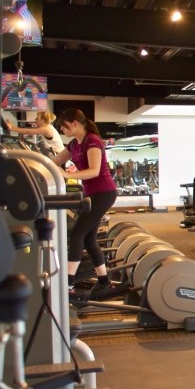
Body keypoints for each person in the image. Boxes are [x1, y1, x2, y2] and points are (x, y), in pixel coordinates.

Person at [51, 108, 117, 298]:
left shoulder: (92, 141)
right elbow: (54, 161)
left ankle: (68, 284)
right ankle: (104, 282)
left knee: (77, 234)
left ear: (75, 123)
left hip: (104, 192)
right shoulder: (74, 144)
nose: (62, 130)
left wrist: (67, 174)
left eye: (64, 127)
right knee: (88, 239)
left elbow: (94, 171)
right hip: (91, 194)